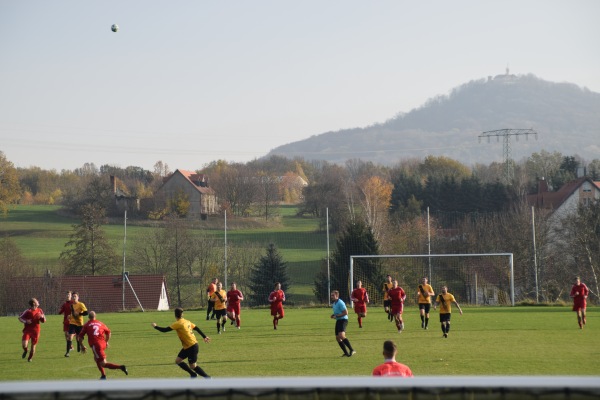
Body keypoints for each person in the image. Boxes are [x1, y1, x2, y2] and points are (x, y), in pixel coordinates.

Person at [151, 307, 211, 378]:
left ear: (175, 315)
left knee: (193, 366)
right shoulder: (187, 321)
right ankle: (193, 374)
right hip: (188, 346)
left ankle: (208, 378)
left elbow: (165, 330)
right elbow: (196, 328)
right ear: (182, 314)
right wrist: (204, 337)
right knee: (178, 361)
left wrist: (155, 326)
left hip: (192, 346)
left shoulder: (178, 323)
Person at [78, 311, 128, 380]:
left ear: (88, 317)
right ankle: (103, 376)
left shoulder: (86, 325)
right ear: (95, 317)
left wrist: (82, 346)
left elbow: (79, 337)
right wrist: (106, 342)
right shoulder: (100, 323)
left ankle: (121, 367)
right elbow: (109, 333)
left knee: (103, 364)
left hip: (96, 345)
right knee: (96, 358)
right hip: (103, 343)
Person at [18, 298, 46, 362]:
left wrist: (42, 317)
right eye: (37, 301)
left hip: (36, 331)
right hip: (27, 330)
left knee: (33, 347)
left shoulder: (40, 310)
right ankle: (25, 350)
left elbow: (44, 320)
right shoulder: (28, 311)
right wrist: (26, 321)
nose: (38, 301)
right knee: (24, 344)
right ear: (34, 303)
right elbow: (20, 318)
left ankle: (30, 358)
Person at [330, 290, 356, 357]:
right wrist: (333, 315)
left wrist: (337, 316)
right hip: (338, 320)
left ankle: (352, 350)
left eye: (333, 295)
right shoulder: (334, 304)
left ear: (337, 296)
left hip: (343, 320)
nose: (331, 296)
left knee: (341, 335)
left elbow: (346, 312)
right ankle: (346, 353)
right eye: (331, 295)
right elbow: (337, 313)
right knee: (337, 337)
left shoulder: (340, 302)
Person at [65, 291, 88, 357]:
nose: (74, 297)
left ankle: (79, 345)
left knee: (79, 337)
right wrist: (70, 316)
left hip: (79, 323)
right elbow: (73, 313)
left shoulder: (81, 304)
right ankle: (67, 352)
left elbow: (86, 313)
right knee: (69, 337)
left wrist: (79, 314)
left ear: (78, 297)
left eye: (75, 296)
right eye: (73, 296)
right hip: (72, 323)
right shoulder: (71, 305)